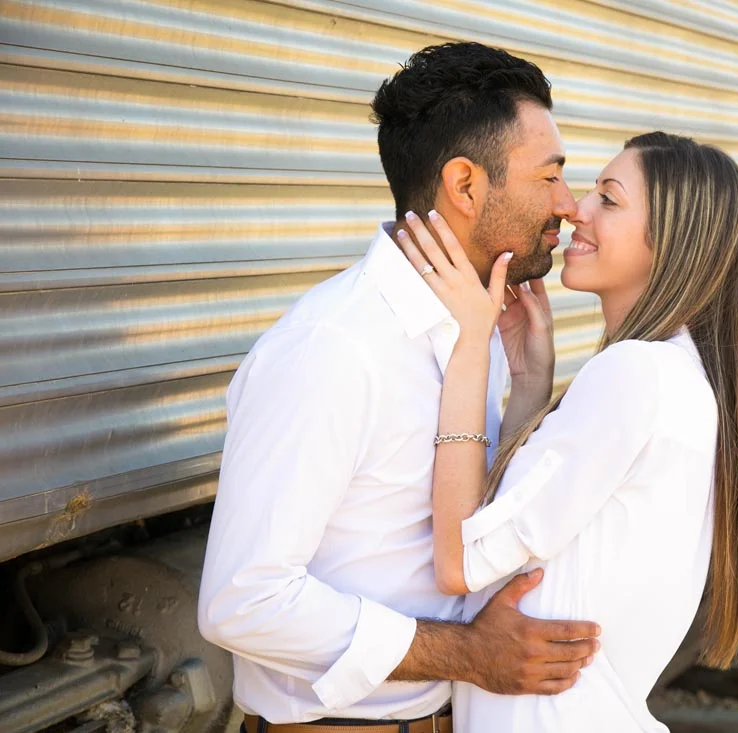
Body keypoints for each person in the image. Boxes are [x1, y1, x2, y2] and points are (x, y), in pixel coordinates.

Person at [196, 42, 601, 733]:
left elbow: (468, 533)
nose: (568, 205)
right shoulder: (333, 349)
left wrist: (529, 388)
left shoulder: (478, 326)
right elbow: (242, 601)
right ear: (465, 186)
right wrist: (468, 654)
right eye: (550, 176)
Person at [396, 131, 738, 732]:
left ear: (673, 241)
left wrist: (470, 347)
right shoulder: (675, 376)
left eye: (609, 199)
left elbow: (461, 562)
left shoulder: (637, 373)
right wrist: (531, 384)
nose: (575, 209)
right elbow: (525, 526)